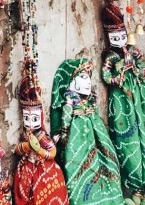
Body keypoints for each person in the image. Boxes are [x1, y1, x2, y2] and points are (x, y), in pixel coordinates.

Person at [100, 0, 145, 202]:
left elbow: (143, 69)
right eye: (114, 36)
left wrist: (136, 71)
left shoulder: (133, 52)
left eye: (121, 35)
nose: (119, 39)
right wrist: (119, 76)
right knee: (126, 135)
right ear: (109, 36)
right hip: (121, 98)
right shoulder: (110, 57)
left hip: (140, 94)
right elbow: (106, 76)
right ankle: (135, 183)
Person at [50, 58, 124, 205]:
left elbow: (95, 112)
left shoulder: (90, 99)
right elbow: (66, 116)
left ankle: (110, 196)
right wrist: (64, 133)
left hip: (96, 132)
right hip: (78, 134)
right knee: (79, 164)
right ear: (72, 81)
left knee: (107, 160)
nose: (88, 81)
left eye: (89, 77)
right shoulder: (70, 99)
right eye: (83, 77)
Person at [12, 58, 68, 205]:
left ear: (41, 117)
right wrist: (25, 146)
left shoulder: (42, 136)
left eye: (35, 118)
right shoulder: (26, 134)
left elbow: (53, 152)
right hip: (27, 167)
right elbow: (17, 150)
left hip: (44, 169)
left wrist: (39, 151)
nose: (30, 123)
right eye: (27, 118)